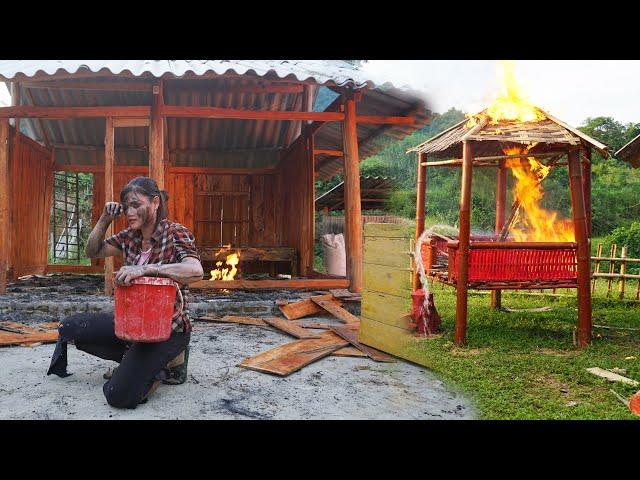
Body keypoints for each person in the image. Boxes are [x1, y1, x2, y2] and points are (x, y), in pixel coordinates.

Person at [47, 176, 204, 409]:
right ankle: (140, 361)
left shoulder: (175, 232)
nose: (130, 212)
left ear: (155, 202)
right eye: (126, 207)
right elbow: (93, 251)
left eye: (136, 205)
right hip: (134, 326)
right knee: (69, 327)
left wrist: (146, 269)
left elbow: (195, 270)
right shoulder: (130, 237)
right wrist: (104, 219)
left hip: (167, 330)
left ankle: (169, 361)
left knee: (118, 395)